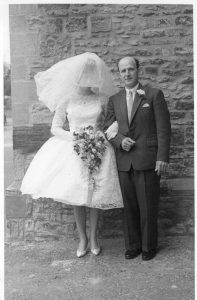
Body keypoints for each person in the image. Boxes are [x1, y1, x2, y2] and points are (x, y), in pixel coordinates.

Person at [21, 52, 123, 258]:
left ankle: (94, 237)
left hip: (98, 148)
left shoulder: (102, 99)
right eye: (83, 74)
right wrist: (76, 137)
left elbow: (113, 120)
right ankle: (82, 238)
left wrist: (103, 133)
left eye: (90, 74)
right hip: (74, 149)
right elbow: (56, 128)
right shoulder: (67, 100)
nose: (87, 77)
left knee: (95, 194)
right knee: (77, 195)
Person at [104, 56, 171, 261]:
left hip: (148, 160)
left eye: (130, 69)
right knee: (130, 207)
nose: (127, 74)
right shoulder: (114, 100)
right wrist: (120, 141)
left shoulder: (153, 95)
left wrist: (162, 157)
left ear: (138, 70)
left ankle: (148, 246)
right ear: (119, 73)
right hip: (125, 162)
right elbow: (107, 128)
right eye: (123, 71)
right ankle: (133, 245)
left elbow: (163, 129)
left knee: (148, 206)